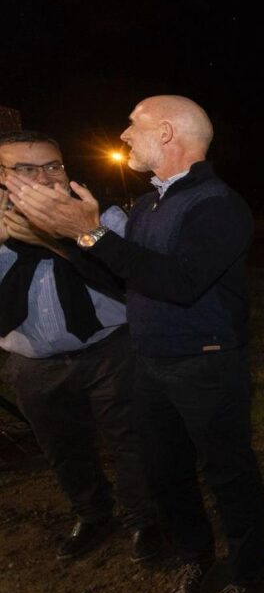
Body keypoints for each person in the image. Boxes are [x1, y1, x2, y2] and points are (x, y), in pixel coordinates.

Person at [7, 96, 264, 593]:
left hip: (205, 363)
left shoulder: (217, 204)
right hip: (149, 361)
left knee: (228, 474)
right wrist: (70, 240)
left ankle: (247, 575)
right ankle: (195, 558)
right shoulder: (149, 203)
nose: (124, 135)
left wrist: (90, 233)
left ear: (167, 134)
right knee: (166, 472)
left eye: (133, 125)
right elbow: (124, 280)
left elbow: (181, 283)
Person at [0, 130, 160, 563]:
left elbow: (130, 278)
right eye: (26, 169)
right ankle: (92, 514)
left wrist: (58, 239)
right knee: (63, 448)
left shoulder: (98, 212)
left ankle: (144, 520)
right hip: (33, 362)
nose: (44, 178)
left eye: (53, 166)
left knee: (131, 441)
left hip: (111, 351)